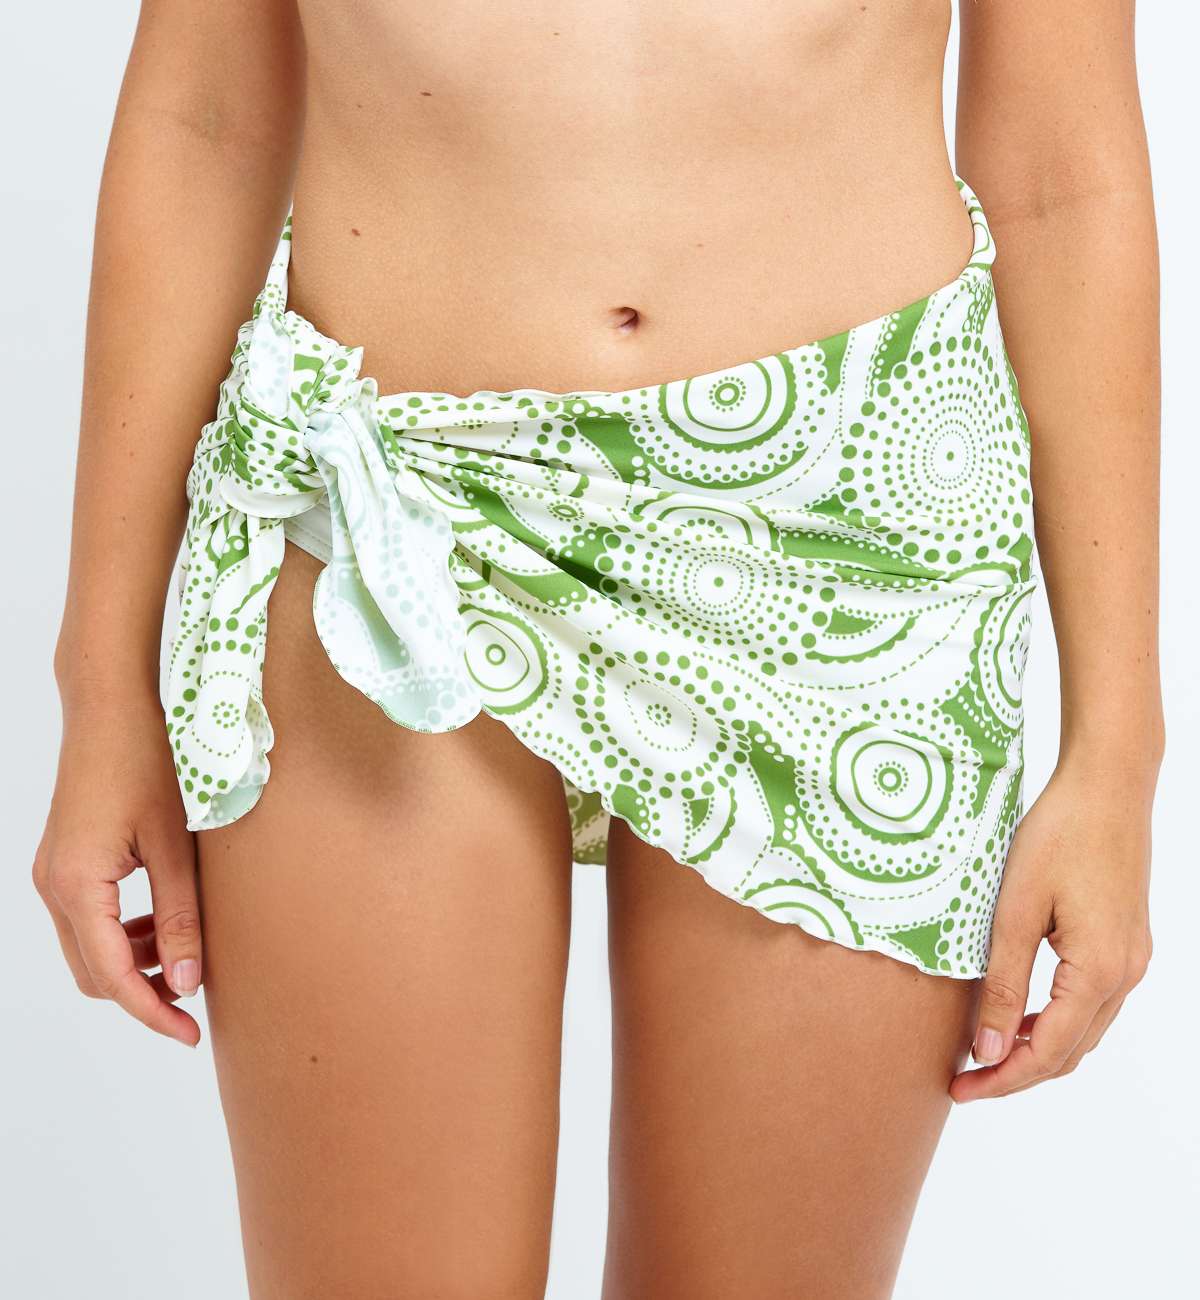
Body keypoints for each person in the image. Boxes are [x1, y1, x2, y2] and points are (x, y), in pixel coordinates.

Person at [32, 1, 1162, 1296]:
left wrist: (1117, 755)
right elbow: (206, 119)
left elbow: (1062, 171)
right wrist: (101, 690)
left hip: (849, 527)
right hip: (397, 512)